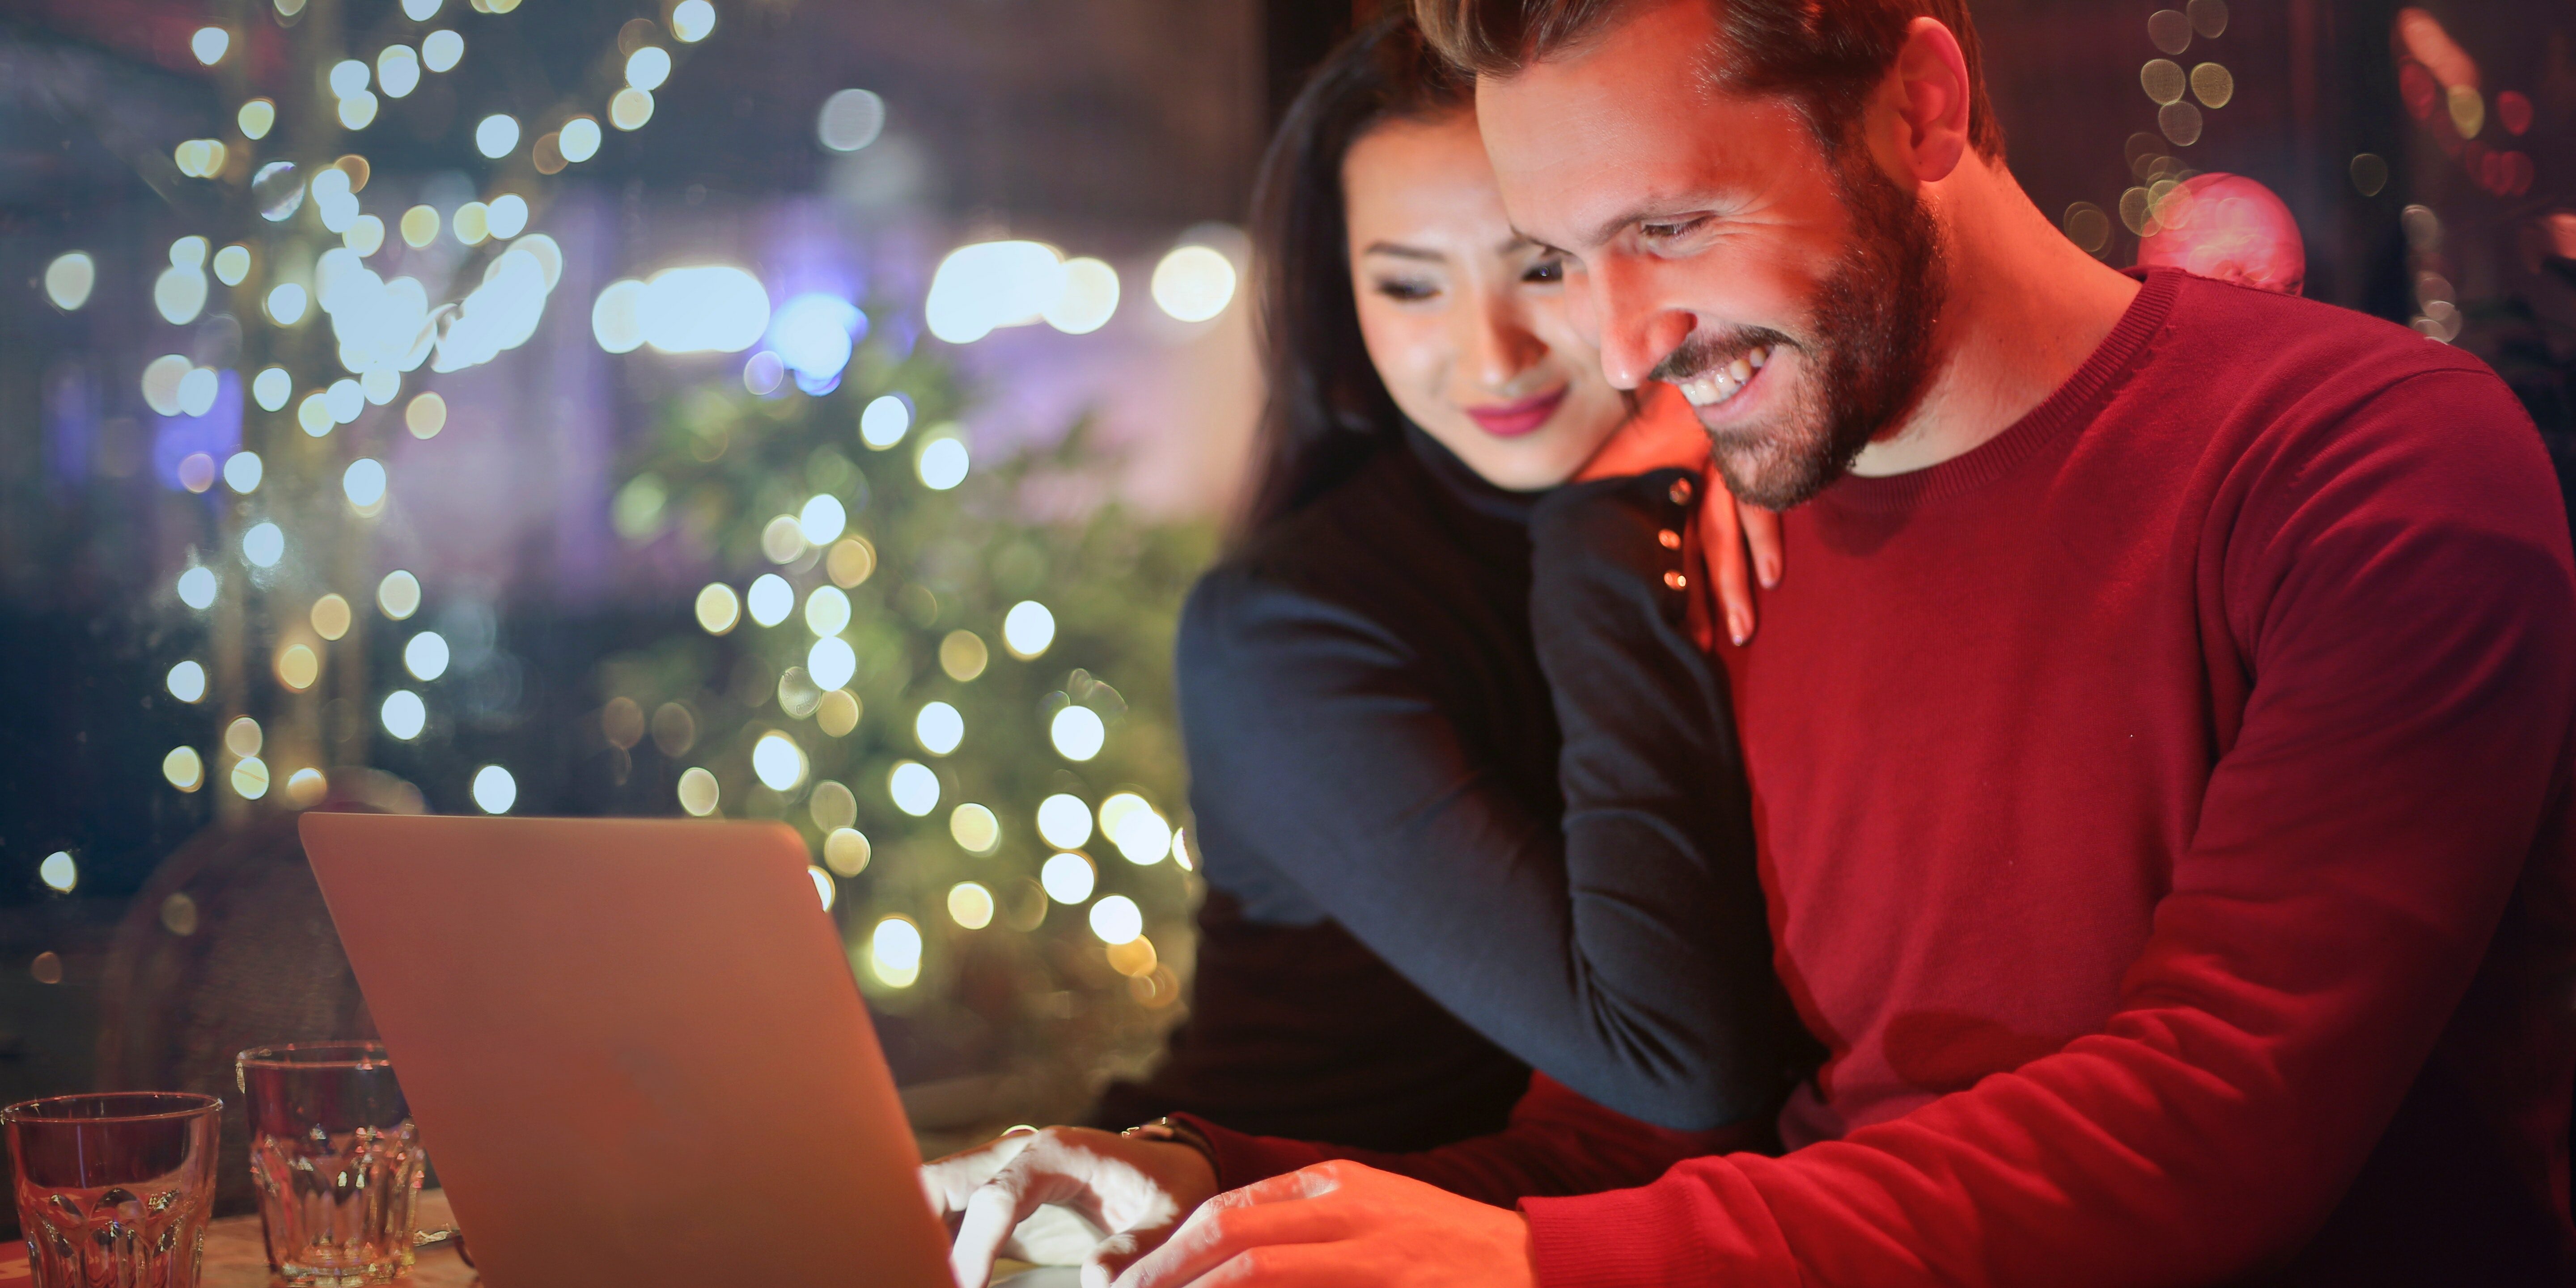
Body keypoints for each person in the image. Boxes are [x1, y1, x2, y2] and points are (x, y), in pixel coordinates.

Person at [930, 0, 2576, 1284]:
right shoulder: (1721, 521)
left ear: (1921, 106)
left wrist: (1531, 1264)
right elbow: (1640, 1149)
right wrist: (1214, 1195)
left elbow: (2227, 1115)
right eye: (1567, 258)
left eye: (1670, 227)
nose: (1620, 342)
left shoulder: (2364, 462)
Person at [926, 13, 1808, 1283]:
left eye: (1540, 267)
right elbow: (1681, 1066)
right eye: (1408, 283)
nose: (1489, 352)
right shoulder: (1290, 628)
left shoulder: (1736, 502)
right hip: (1235, 1240)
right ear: (1343, 298)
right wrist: (1617, 514)